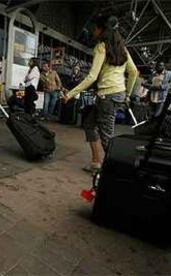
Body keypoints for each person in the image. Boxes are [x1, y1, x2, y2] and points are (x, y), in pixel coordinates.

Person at [62, 15, 138, 173]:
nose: (93, 31)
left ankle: (116, 172)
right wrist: (128, 95)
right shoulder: (122, 48)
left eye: (95, 28)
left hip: (107, 97)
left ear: (102, 30)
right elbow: (134, 72)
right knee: (89, 125)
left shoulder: (101, 47)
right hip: (116, 94)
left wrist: (70, 94)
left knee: (106, 137)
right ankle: (96, 162)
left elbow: (92, 76)